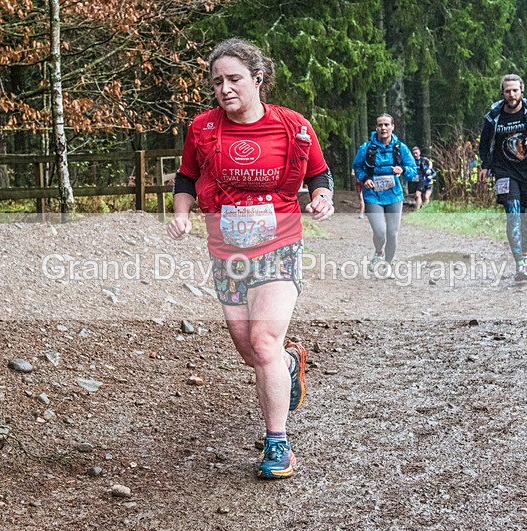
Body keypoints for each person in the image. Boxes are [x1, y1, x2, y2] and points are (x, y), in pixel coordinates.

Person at [167, 38, 334, 480]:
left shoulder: (292, 126)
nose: (225, 89)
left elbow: (319, 171)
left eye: (235, 79)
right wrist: (182, 214)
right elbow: (186, 176)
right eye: (217, 81)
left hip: (279, 243)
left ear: (258, 79)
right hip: (227, 251)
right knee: (252, 351)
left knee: (262, 342)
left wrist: (321, 197)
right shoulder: (203, 129)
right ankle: (290, 364)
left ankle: (278, 443)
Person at [478, 73, 527, 281]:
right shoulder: (494, 116)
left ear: (522, 91)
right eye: (507, 91)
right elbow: (484, 143)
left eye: (515, 90)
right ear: (503, 93)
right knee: (512, 214)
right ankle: (520, 266)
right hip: (504, 172)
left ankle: (525, 255)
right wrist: (485, 166)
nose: (511, 94)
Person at [352, 114, 417, 275]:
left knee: (392, 233)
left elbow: (412, 170)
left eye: (386, 125)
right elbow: (357, 168)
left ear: (392, 127)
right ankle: (379, 252)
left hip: (394, 195)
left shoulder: (400, 148)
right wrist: (364, 178)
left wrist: (402, 170)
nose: (383, 128)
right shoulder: (366, 148)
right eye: (380, 125)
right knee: (380, 232)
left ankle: (387, 264)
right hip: (372, 195)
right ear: (376, 128)